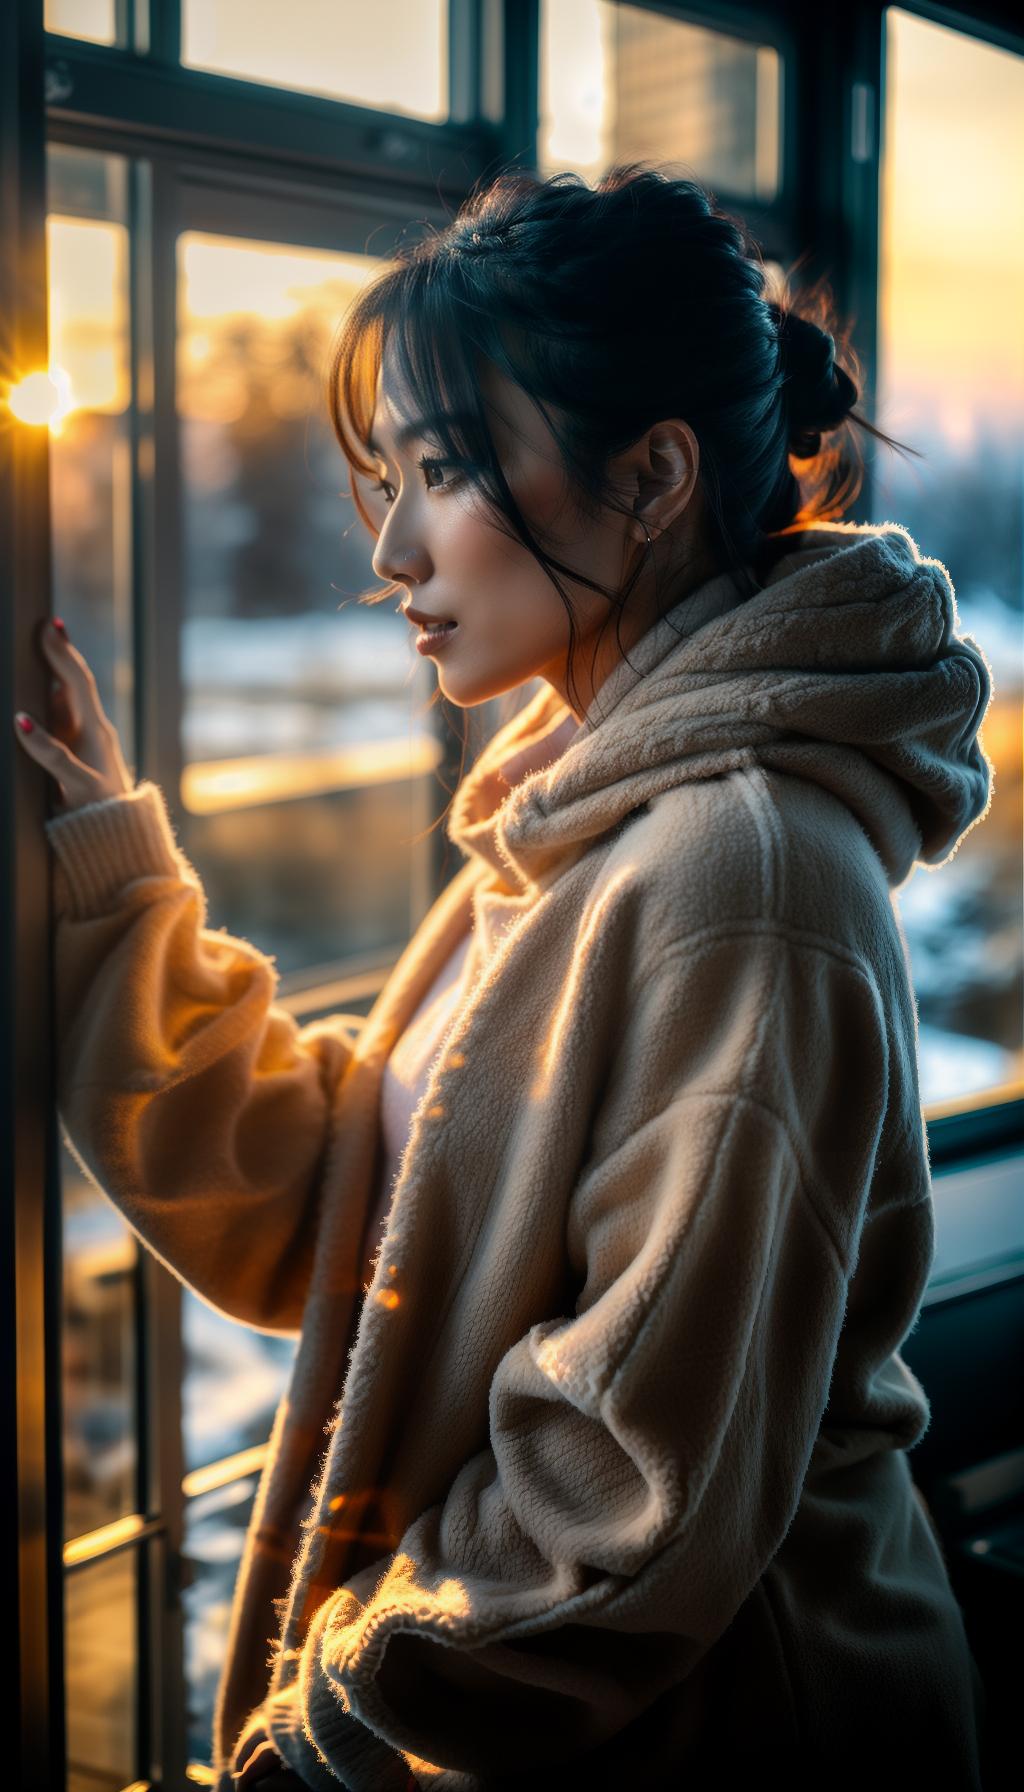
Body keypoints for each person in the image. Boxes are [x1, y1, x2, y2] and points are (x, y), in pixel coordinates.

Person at [14, 165, 992, 1790]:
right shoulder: (581, 819)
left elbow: (621, 1502)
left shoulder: (737, 879)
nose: (391, 548)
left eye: (448, 471)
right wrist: (116, 883)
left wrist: (320, 1747)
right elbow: (362, 1213)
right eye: (379, 477)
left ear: (656, 475)